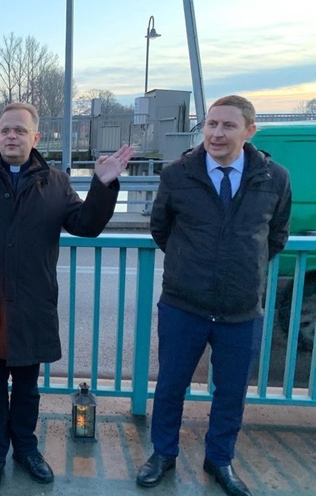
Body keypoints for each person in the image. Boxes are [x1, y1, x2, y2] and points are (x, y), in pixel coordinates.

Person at [0, 102, 135, 491]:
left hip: (33, 302)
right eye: (4, 130)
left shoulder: (56, 182)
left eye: (19, 130)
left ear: (35, 137)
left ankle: (26, 448)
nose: (11, 136)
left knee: (28, 387)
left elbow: (86, 225)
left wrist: (103, 185)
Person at [136, 95, 292, 496]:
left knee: (231, 392)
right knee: (170, 385)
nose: (217, 134)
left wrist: (243, 269)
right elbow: (161, 230)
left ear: (249, 131)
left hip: (241, 309)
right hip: (183, 304)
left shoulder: (274, 178)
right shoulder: (177, 174)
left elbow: (275, 237)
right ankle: (163, 453)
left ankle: (219, 459)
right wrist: (194, 265)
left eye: (227, 126)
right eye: (211, 125)